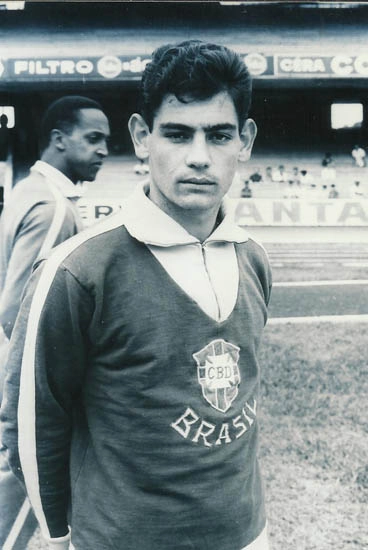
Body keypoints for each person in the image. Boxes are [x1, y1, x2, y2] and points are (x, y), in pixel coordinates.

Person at [0, 41, 271, 550]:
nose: (198, 157)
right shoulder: (78, 271)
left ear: (245, 140)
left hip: (245, 533)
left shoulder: (252, 256)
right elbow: (33, 424)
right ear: (143, 137)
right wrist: (59, 537)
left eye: (219, 135)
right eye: (176, 133)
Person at [0, 95, 110, 549]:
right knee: (24, 489)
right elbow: (17, 311)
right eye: (93, 138)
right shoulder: (55, 207)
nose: (105, 150)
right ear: (59, 140)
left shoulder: (27, 190)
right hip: (22, 382)